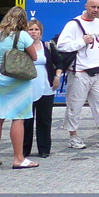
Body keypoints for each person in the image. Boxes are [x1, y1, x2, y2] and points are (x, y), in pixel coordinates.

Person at [56, 0, 99, 149]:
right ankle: (73, 136)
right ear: (86, 6)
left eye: (98, 7)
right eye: (93, 7)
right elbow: (61, 45)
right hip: (79, 72)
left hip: (97, 70)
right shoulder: (74, 24)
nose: (96, 10)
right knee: (75, 105)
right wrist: (81, 42)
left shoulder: (98, 23)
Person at [0, 6, 40, 169]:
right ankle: (18, 158)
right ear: (23, 21)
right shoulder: (23, 35)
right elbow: (34, 56)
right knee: (18, 117)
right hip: (17, 78)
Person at [22, 19, 60, 159]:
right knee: (26, 120)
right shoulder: (22, 47)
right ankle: (24, 149)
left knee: (44, 119)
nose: (33, 32)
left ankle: (44, 149)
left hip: (46, 86)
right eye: (31, 29)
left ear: (41, 32)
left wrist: (57, 76)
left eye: (36, 29)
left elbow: (59, 61)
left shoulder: (48, 46)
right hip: (27, 87)